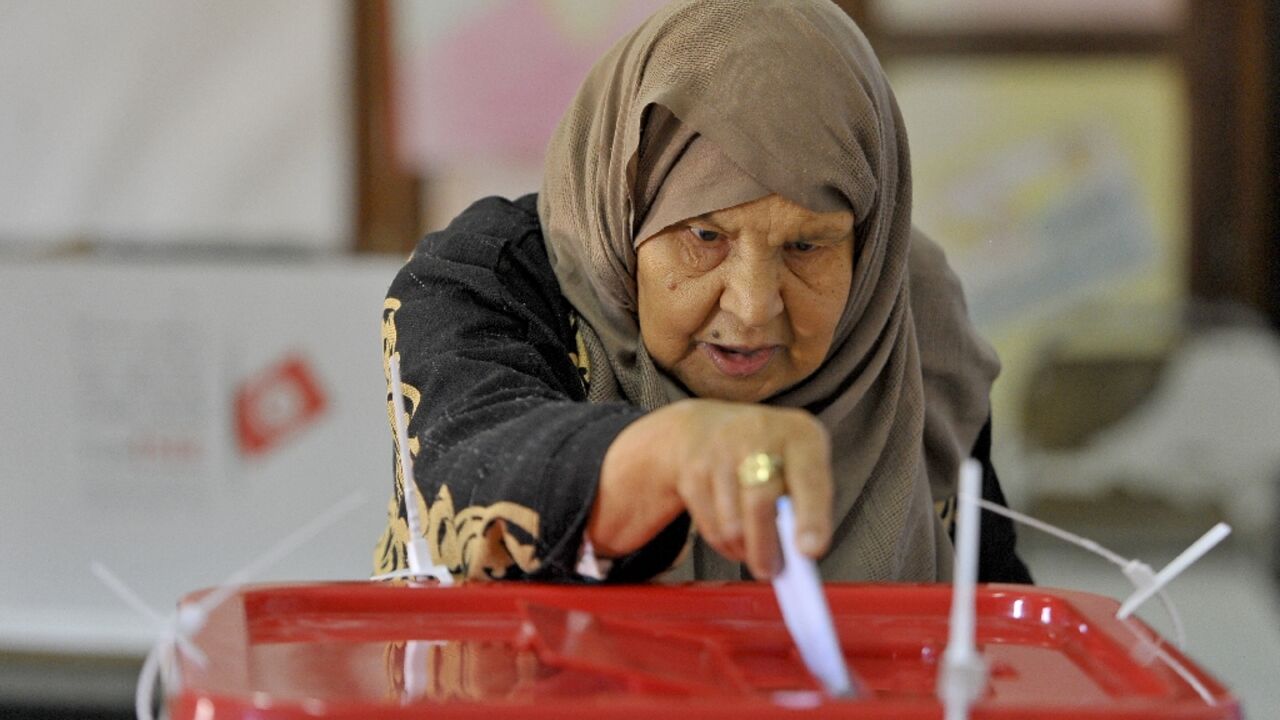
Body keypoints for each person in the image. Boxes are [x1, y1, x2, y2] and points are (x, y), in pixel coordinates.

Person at [374, 0, 1030, 585]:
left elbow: (997, 617)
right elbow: (463, 472)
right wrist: (677, 450)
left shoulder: (905, 309)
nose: (752, 306)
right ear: (627, 212)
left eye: (807, 246)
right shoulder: (491, 276)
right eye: (704, 235)